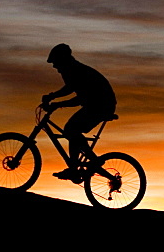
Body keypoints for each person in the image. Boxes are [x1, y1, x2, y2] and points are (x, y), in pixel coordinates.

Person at [41, 43, 117, 182]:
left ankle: (89, 161)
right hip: (98, 104)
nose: (55, 67)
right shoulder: (75, 70)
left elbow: (75, 94)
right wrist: (55, 101)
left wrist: (55, 101)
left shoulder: (75, 71)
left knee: (71, 129)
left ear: (62, 59)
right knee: (71, 130)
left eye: (56, 63)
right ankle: (76, 167)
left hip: (101, 105)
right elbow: (76, 95)